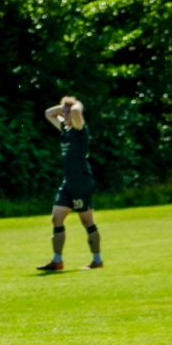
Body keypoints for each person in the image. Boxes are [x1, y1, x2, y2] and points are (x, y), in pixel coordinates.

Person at [36, 97, 102, 272]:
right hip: (68, 182)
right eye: (63, 112)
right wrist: (64, 106)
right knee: (56, 219)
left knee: (87, 221)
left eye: (67, 112)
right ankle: (57, 261)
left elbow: (75, 111)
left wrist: (75, 105)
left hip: (81, 181)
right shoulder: (65, 130)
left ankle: (97, 260)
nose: (64, 114)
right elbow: (48, 114)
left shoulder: (79, 128)